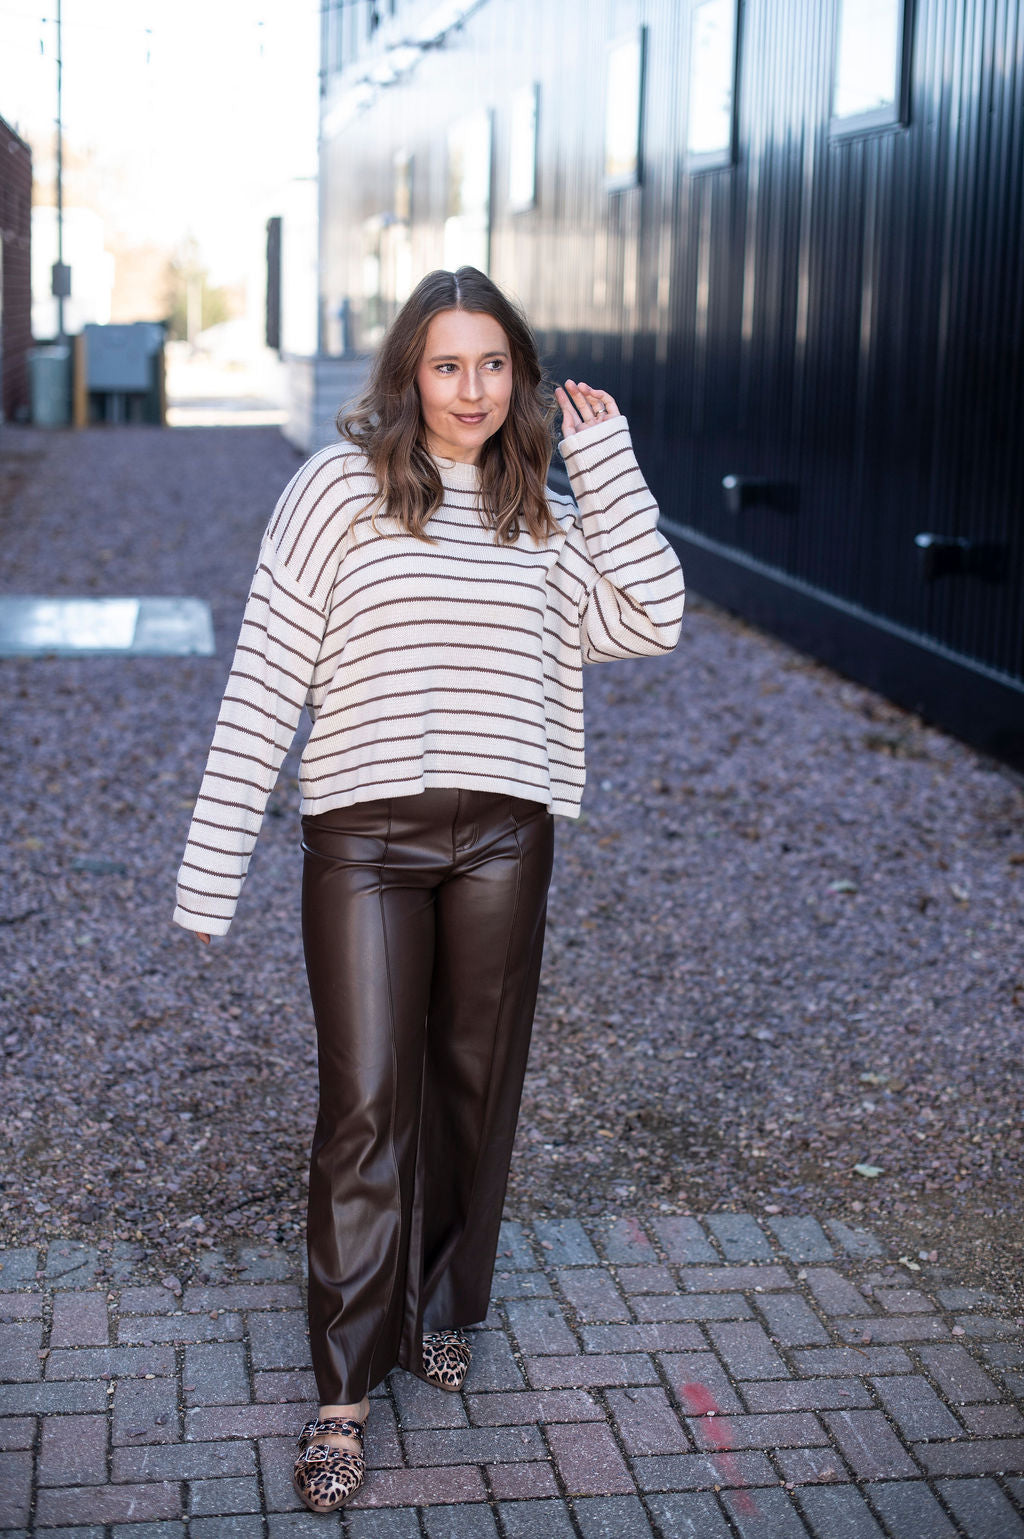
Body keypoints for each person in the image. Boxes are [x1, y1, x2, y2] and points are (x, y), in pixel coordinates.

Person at [173, 266, 684, 1513]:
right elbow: (262, 682)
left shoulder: (541, 514)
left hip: (506, 839)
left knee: (471, 1084)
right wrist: (212, 867)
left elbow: (652, 618)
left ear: (522, 378)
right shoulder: (336, 493)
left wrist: (604, 468)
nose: (471, 388)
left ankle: (447, 1301)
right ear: (410, 370)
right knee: (365, 1100)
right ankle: (342, 1388)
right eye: (448, 364)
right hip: (364, 843)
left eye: (494, 364)